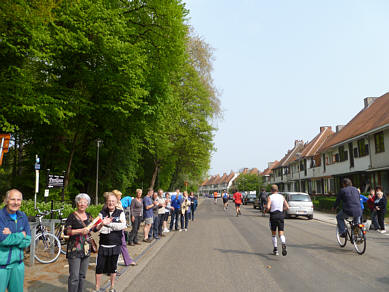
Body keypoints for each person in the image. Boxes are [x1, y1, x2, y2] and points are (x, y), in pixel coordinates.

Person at [64, 193, 104, 292]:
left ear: (87, 204)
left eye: (84, 202)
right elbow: (66, 231)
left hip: (86, 249)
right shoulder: (72, 216)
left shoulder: (89, 216)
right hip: (74, 249)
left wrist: (101, 224)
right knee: (74, 277)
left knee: (82, 275)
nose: (82, 204)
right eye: (80, 202)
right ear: (77, 203)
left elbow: (94, 229)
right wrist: (80, 231)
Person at [0, 189, 31, 292]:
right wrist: (21, 235)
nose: (16, 202)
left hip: (18, 265)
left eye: (18, 200)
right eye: (12, 199)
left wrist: (12, 235)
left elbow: (28, 240)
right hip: (2, 266)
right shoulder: (0, 217)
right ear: (6, 200)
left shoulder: (23, 216)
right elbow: (3, 240)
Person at [95, 192, 127, 292]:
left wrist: (108, 224)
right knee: (99, 267)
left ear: (116, 202)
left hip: (115, 244)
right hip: (103, 244)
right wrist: (101, 225)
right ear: (106, 202)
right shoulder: (102, 213)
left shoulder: (120, 213)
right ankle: (97, 288)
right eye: (109, 201)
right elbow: (97, 228)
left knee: (113, 267)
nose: (111, 203)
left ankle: (112, 287)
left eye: (113, 201)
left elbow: (122, 226)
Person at [112, 190, 136, 266]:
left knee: (123, 244)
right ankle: (111, 266)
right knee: (115, 245)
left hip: (121, 227)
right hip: (114, 228)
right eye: (119, 195)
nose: (121, 197)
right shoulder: (113, 204)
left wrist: (123, 225)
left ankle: (128, 261)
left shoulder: (119, 203)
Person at [265, 185, 289, 256]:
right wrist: (282, 210)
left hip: (273, 216)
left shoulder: (270, 197)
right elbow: (287, 207)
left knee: (273, 234)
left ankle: (275, 250)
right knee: (281, 233)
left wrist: (266, 210)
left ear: (271, 190)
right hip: (281, 215)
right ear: (277, 190)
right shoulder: (282, 197)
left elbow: (268, 207)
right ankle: (283, 243)